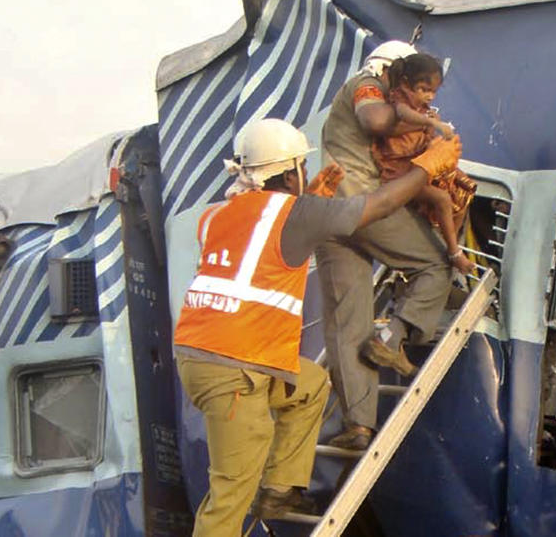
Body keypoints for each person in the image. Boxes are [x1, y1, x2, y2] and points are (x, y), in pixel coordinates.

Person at [172, 117, 457, 536]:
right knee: (231, 493)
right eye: (301, 167)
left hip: (215, 358)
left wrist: (311, 201)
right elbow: (377, 206)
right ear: (291, 173)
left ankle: (281, 489)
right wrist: (428, 166)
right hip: (234, 368)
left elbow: (263, 248)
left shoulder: (219, 216)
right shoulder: (297, 212)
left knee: (310, 387)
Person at [316, 41, 462, 450]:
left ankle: (359, 426)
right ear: (391, 73)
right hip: (359, 204)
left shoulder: (351, 107)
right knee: (435, 263)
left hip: (328, 213)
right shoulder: (367, 86)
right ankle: (393, 336)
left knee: (347, 325)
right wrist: (433, 148)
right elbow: (377, 120)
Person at [371, 52, 477, 275]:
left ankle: (446, 237)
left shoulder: (421, 109)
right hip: (399, 173)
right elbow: (404, 115)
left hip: (417, 164)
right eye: (423, 90)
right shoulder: (399, 101)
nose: (429, 96)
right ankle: (453, 251)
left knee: (462, 188)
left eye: (433, 92)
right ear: (407, 84)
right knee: (442, 199)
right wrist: (431, 123)